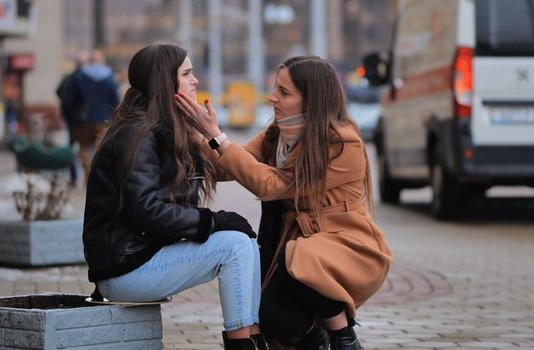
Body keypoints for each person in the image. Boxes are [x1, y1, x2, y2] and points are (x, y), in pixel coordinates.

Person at [177, 56, 393, 350]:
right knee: (273, 318)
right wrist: (195, 136)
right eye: (275, 88)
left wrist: (216, 136)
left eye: (284, 92)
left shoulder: (342, 142)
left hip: (343, 242)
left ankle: (344, 334)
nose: (272, 98)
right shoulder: (277, 133)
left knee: (304, 259)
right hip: (296, 243)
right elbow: (230, 167)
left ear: (311, 100)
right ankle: (315, 336)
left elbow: (270, 185)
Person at [82, 44, 267, 350]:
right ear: (165, 81)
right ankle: (242, 344)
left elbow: (222, 170)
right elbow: (146, 211)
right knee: (234, 245)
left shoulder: (166, 130)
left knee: (243, 242)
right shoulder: (137, 134)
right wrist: (213, 221)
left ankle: (252, 339)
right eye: (187, 73)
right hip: (124, 269)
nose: (195, 81)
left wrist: (207, 134)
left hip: (142, 257)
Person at [73, 50, 120, 182]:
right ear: (101, 61)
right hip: (104, 119)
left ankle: (87, 170)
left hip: (84, 120)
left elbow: (73, 99)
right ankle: (96, 174)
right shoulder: (110, 78)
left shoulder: (80, 77)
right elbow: (115, 100)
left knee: (83, 148)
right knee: (100, 149)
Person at [56, 51, 89, 186]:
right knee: (83, 148)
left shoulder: (68, 78)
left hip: (70, 117)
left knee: (72, 147)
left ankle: (74, 178)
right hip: (81, 119)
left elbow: (58, 91)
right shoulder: (84, 79)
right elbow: (86, 97)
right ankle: (86, 177)